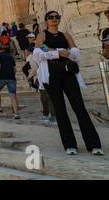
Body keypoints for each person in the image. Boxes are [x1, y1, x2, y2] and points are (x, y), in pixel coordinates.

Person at [34, 11, 104, 156]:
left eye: (57, 17)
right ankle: (69, 145)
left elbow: (76, 53)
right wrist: (58, 53)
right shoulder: (42, 36)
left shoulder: (65, 35)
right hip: (52, 76)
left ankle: (94, 144)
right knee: (60, 109)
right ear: (46, 20)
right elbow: (37, 55)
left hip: (68, 73)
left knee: (79, 107)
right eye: (51, 17)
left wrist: (63, 52)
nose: (54, 19)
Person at [0, 45, 20, 119]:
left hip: (1, 78)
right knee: (13, 95)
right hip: (11, 78)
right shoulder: (10, 57)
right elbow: (15, 69)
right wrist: (12, 76)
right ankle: (16, 114)